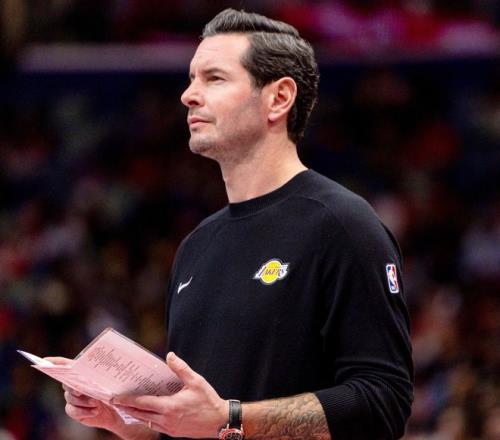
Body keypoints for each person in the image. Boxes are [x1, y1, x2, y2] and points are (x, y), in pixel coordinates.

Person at [57, 8, 414, 440]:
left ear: (279, 98)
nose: (188, 95)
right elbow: (198, 422)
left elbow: (383, 401)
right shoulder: (195, 246)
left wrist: (230, 418)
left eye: (214, 78)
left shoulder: (342, 225)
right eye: (191, 79)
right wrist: (132, 420)